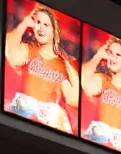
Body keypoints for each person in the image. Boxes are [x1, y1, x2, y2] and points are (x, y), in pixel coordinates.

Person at [3, 3, 79, 134]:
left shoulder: (64, 64)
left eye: (46, 24)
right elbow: (9, 52)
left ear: (54, 31)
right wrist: (24, 24)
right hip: (23, 116)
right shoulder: (28, 50)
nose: (40, 28)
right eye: (37, 22)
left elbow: (74, 99)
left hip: (50, 124)